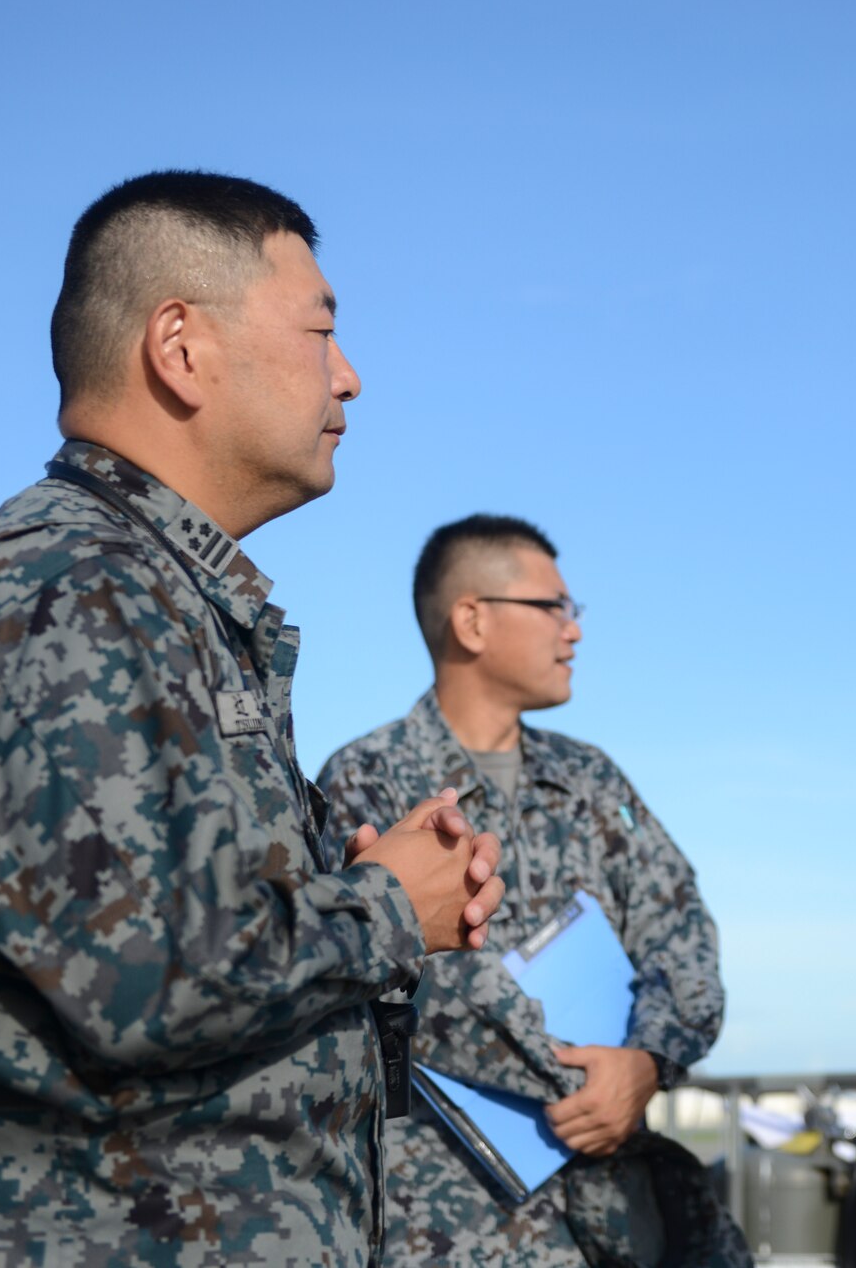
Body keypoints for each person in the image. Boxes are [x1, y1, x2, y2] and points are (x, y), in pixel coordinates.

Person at [0, 171, 507, 1267]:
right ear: (181, 347)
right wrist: (387, 906)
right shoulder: (71, 589)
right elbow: (137, 981)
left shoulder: (151, 596)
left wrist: (350, 896)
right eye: (320, 329)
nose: (348, 374)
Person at [318, 514, 748, 1268]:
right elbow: (413, 981)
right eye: (555, 607)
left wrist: (646, 1060)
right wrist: (593, 1077)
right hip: (454, 1220)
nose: (573, 631)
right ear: (473, 619)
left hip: (619, 1210)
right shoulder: (367, 778)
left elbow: (680, 933)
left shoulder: (592, 779)